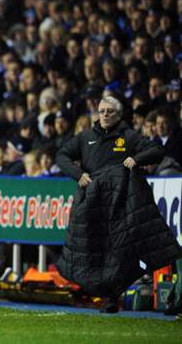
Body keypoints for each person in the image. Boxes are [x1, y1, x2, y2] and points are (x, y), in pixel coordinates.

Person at [56, 95, 182, 313]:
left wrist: (137, 159)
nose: (105, 114)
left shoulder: (129, 137)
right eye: (102, 110)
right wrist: (78, 175)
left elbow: (157, 151)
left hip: (119, 207)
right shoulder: (85, 137)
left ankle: (112, 298)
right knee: (93, 250)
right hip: (93, 206)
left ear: (119, 115)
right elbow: (62, 156)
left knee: (118, 253)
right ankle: (104, 294)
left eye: (110, 111)